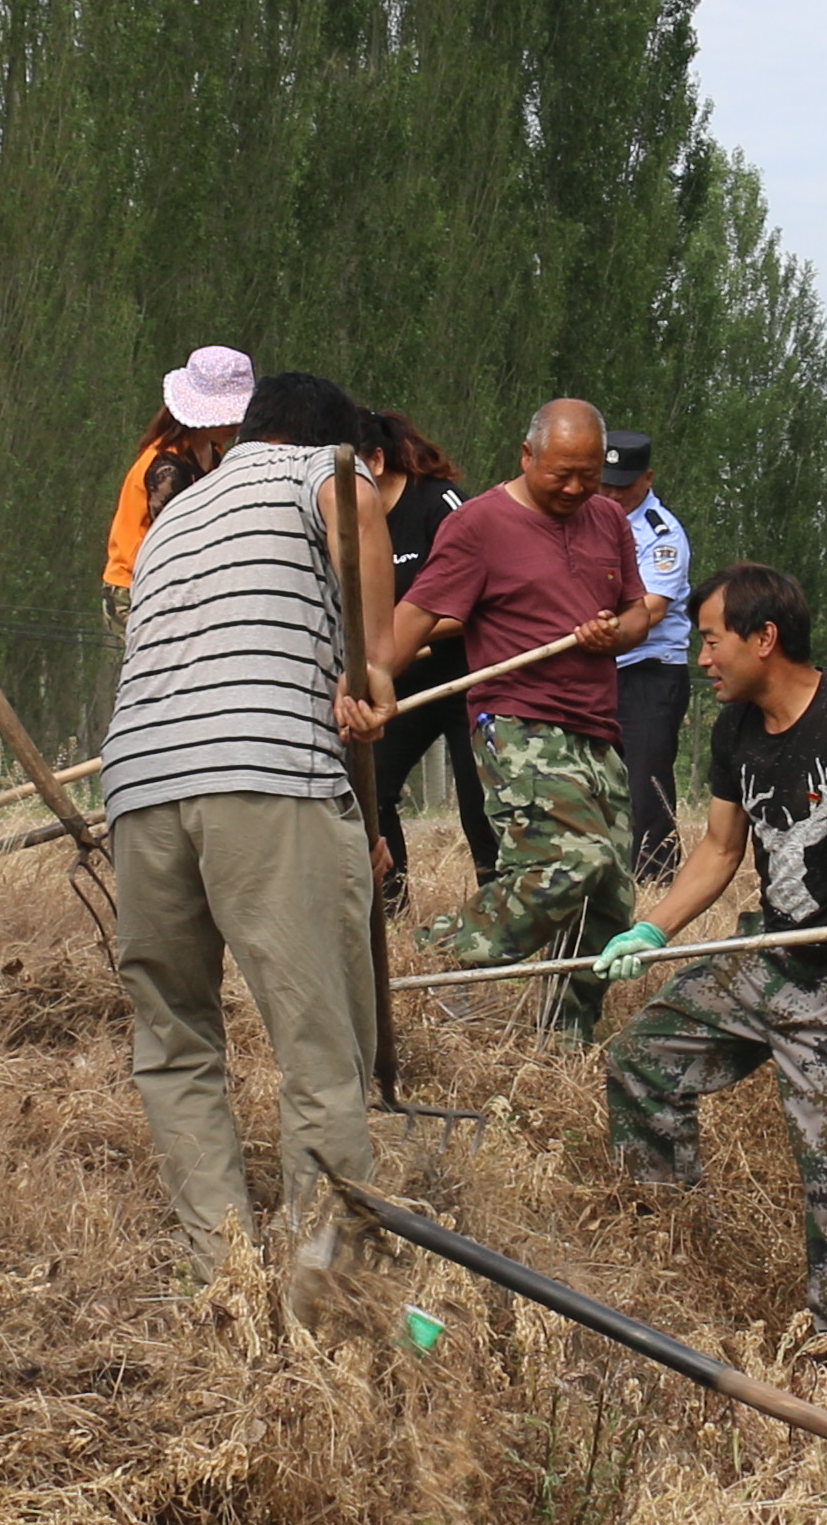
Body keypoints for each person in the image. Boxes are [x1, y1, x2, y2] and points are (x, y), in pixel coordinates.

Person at [595, 565, 827, 1367]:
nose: (701, 658)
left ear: (763, 639)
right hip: (767, 958)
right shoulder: (733, 731)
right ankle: (670, 1249)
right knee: (640, 1057)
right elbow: (722, 850)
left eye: (711, 639)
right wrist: (653, 931)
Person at [103, 369, 395, 1293]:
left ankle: (218, 1274)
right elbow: (356, 506)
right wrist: (373, 666)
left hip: (140, 783)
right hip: (264, 776)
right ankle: (331, 1293)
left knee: (177, 1041)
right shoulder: (317, 469)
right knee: (320, 1045)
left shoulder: (175, 514)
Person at [379, 398, 660, 1007]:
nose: (576, 487)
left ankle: (564, 1038)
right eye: (561, 472)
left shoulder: (608, 521)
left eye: (588, 474)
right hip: (519, 721)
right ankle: (436, 950)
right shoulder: (478, 524)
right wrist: (371, 683)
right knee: (573, 863)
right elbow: (416, 616)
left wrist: (619, 633)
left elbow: (640, 613)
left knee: (610, 893)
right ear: (527, 456)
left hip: (597, 725)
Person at [354, 409, 497, 901]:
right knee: (370, 788)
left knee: (480, 803)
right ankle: (387, 905)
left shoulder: (441, 506)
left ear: (374, 461)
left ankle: (499, 909)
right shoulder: (352, 522)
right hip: (399, 676)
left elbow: (482, 600)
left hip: (465, 673)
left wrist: (408, 634)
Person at [600, 430, 695, 875]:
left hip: (649, 671)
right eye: (606, 483)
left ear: (648, 478)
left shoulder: (663, 536)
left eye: (624, 484)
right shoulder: (588, 518)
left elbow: (651, 608)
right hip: (599, 667)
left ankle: (655, 875)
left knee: (645, 781)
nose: (613, 493)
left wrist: (587, 633)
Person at [103, 347, 251, 602]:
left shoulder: (212, 452)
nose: (234, 424)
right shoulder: (167, 467)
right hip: (137, 588)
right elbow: (170, 542)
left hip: (176, 582)